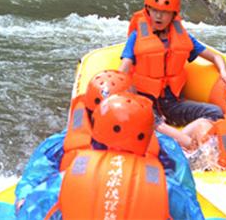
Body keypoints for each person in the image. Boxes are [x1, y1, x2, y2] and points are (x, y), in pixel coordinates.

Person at [15, 84, 202, 220]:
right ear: (147, 134)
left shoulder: (65, 180)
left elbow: (28, 212)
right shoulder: (166, 187)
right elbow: (191, 207)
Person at [118, 0, 226, 127]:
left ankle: (192, 135)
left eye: (165, 12)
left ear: (173, 15)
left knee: (215, 112)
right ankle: (178, 137)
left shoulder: (183, 38)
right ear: (148, 11)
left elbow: (215, 57)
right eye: (155, 10)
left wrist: (223, 71)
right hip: (145, 105)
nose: (159, 16)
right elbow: (124, 69)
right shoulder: (136, 37)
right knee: (146, 121)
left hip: (172, 105)